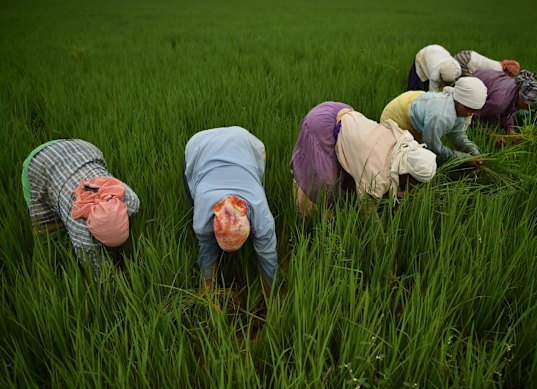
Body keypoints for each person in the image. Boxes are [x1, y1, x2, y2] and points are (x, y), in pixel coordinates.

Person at [290, 102, 437, 217]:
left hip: (341, 111)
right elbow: (367, 213)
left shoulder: (405, 144)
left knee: (348, 175)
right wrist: (384, 243)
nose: (415, 186)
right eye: (416, 183)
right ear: (409, 176)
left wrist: (394, 196)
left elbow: (379, 172)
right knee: (323, 187)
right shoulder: (378, 177)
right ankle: (304, 215)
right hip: (322, 125)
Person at [21, 139, 140, 276]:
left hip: (83, 149)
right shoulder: (80, 229)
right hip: (40, 165)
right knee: (48, 232)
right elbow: (98, 271)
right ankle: (53, 271)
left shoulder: (130, 201)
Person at [183, 127, 277, 295]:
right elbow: (206, 246)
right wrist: (207, 286)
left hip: (243, 142)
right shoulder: (201, 217)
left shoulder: (262, 216)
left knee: (256, 179)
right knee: (193, 194)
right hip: (199, 146)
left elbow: (268, 254)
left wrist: (271, 293)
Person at [381, 77, 488, 165]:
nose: (470, 114)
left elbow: (457, 133)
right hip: (397, 116)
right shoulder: (440, 115)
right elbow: (432, 146)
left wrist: (472, 150)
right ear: (458, 100)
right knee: (409, 157)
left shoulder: (460, 108)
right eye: (468, 108)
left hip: (417, 102)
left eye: (474, 110)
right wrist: (463, 158)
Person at [472, 69, 537, 138]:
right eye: (531, 106)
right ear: (525, 101)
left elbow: (507, 113)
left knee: (500, 128)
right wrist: (492, 135)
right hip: (470, 89)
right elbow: (472, 115)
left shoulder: (517, 90)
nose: (530, 109)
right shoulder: (499, 103)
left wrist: (510, 130)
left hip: (483, 78)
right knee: (495, 127)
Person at [454, 50, 520, 77]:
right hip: (465, 61)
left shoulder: (498, 64)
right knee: (467, 84)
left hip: (465, 54)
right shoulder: (498, 72)